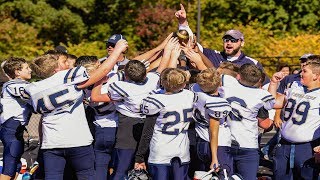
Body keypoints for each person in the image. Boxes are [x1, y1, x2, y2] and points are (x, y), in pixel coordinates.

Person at [24, 39, 128, 179]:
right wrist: (116, 51)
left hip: (52, 142)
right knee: (86, 176)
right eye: (64, 62)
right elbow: (102, 71)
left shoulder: (33, 88)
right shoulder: (67, 76)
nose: (68, 64)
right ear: (55, 69)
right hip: (78, 140)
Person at [175, 4, 269, 84]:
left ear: (242, 43)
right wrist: (183, 23)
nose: (229, 43)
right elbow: (190, 43)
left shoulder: (252, 63)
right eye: (226, 40)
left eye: (233, 40)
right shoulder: (213, 54)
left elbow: (265, 86)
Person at [219, 64, 275, 180]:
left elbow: (215, 73)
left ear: (238, 76)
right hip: (248, 143)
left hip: (224, 141)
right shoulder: (261, 95)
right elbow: (273, 105)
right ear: (259, 80)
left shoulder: (227, 85)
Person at [268, 56, 320, 179]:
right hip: (284, 144)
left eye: (305, 71)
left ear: (316, 76)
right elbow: (272, 103)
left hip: (306, 147)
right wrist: (273, 83)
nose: (300, 73)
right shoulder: (295, 86)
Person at [140, 68, 194, 180]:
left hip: (161, 150)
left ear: (162, 82)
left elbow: (147, 130)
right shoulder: (190, 95)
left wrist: (139, 156)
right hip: (182, 150)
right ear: (183, 83)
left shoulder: (155, 99)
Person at [190, 68, 232, 176]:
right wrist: (215, 157)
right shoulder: (216, 102)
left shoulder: (195, 88)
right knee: (222, 176)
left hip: (200, 139)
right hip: (217, 145)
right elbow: (214, 131)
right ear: (219, 83)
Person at [0, 57, 33, 180]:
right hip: (11, 129)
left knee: (16, 168)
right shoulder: (13, 85)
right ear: (17, 72)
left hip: (16, 129)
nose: (30, 70)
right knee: (9, 168)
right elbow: (32, 95)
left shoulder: (21, 84)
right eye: (26, 68)